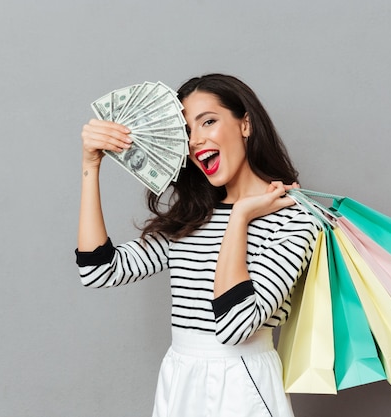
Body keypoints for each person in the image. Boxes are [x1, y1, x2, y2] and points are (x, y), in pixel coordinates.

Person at [76, 73, 319, 417]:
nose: (196, 140)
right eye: (187, 130)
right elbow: (98, 270)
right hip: (180, 378)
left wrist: (240, 218)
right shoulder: (191, 218)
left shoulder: (293, 219)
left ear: (245, 124)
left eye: (208, 121)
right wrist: (91, 165)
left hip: (244, 382)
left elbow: (235, 324)